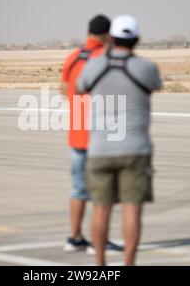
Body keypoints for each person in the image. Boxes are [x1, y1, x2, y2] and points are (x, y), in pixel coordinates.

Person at [76, 15, 162, 265]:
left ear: (111, 38)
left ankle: (100, 264)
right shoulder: (147, 68)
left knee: (101, 209)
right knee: (132, 209)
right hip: (135, 149)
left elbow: (80, 88)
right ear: (137, 40)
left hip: (100, 148)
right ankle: (128, 263)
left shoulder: (93, 66)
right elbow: (155, 85)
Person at [61, 15, 123, 255]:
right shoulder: (106, 58)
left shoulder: (73, 57)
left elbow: (65, 89)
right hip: (100, 136)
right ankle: (101, 241)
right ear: (108, 35)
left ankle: (75, 238)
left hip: (77, 135)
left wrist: (79, 110)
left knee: (78, 189)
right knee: (103, 190)